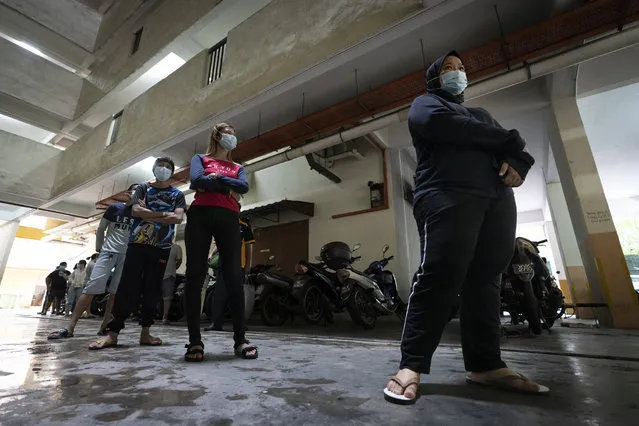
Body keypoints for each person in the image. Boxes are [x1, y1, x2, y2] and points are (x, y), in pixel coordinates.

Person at [383, 51, 544, 405]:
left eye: (461, 68)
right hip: (445, 194)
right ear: (433, 78)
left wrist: (518, 159)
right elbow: (452, 129)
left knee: (487, 278)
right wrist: (512, 142)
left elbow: (509, 150)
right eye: (448, 69)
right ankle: (411, 365)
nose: (457, 73)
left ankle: (486, 365)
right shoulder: (425, 105)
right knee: (440, 273)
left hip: (496, 199)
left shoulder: (481, 115)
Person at [89, 157, 185, 350]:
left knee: (152, 289)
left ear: (172, 171)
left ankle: (145, 333)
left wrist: (149, 212)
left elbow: (178, 218)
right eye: (161, 166)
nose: (163, 169)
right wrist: (165, 214)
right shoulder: (142, 188)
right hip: (137, 243)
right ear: (154, 168)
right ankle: (113, 333)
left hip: (162, 247)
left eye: (168, 167)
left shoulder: (177, 194)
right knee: (127, 287)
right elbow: (135, 211)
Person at [183, 122, 257, 362]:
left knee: (234, 276)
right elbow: (196, 181)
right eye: (227, 133)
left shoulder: (238, 166)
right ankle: (195, 341)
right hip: (200, 215)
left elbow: (244, 187)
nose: (231, 137)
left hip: (228, 217)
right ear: (216, 136)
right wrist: (227, 186)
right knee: (195, 274)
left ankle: (240, 339)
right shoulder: (200, 159)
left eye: (234, 134)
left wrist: (216, 180)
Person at [48, 185, 139, 340]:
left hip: (126, 256)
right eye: (135, 190)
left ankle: (105, 325)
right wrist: (100, 248)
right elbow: (101, 227)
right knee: (91, 288)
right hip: (108, 252)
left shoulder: (141, 214)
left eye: (141, 191)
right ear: (128, 193)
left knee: (115, 293)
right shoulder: (114, 208)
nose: (137, 193)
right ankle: (70, 327)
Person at [205, 212, 255, 331]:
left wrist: (248, 265)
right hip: (223, 264)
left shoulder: (244, 227)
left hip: (239, 265)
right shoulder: (222, 225)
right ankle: (216, 323)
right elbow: (218, 244)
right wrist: (211, 253)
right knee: (219, 294)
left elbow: (249, 247)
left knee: (237, 295)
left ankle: (240, 324)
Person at [161, 242, 183, 324]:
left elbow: (179, 261)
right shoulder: (156, 245)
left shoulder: (176, 247)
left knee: (167, 297)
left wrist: (172, 269)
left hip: (169, 275)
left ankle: (165, 317)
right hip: (156, 274)